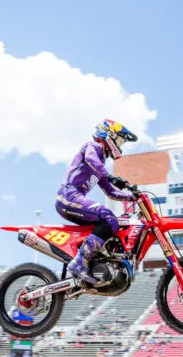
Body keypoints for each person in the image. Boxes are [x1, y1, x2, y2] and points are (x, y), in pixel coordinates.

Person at [55, 119, 139, 284]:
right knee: (108, 217)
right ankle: (80, 263)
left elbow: (111, 191)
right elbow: (91, 159)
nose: (120, 145)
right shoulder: (92, 147)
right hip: (68, 195)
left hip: (72, 199)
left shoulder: (100, 163)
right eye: (120, 140)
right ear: (109, 136)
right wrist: (110, 176)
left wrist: (132, 196)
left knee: (109, 223)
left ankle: (94, 263)